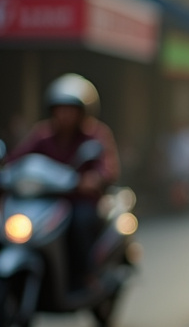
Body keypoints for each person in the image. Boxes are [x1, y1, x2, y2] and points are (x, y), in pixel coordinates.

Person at [6, 73, 120, 290]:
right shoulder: (42, 135)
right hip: (48, 201)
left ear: (83, 113)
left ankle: (87, 275)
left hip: (80, 201)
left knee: (80, 222)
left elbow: (108, 167)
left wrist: (95, 179)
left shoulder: (95, 135)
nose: (64, 115)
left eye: (70, 110)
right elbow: (17, 159)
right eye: (60, 109)